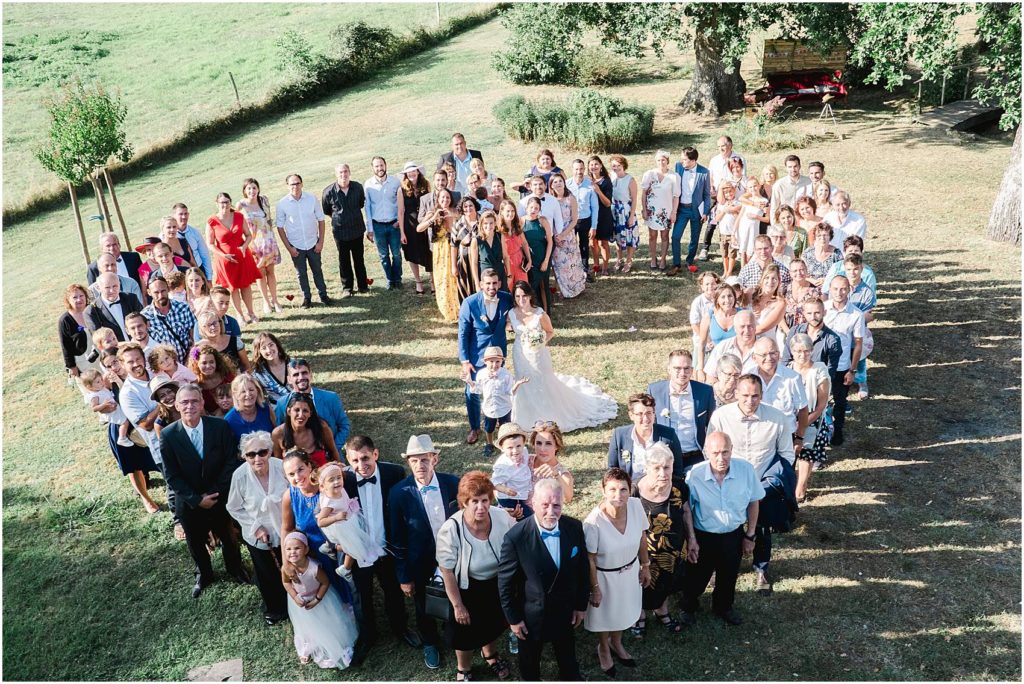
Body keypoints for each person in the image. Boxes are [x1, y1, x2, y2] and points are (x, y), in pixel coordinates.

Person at [160, 384, 248, 598]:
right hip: (190, 502)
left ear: (201, 403)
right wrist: (196, 499)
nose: (189, 405)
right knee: (195, 540)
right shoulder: (169, 434)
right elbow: (171, 475)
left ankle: (235, 568)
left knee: (228, 535)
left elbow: (230, 462)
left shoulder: (219, 427)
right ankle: (204, 574)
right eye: (184, 402)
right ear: (177, 406)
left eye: (194, 401)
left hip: (219, 496)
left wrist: (214, 492)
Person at [497, 478, 589, 681]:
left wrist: (581, 605)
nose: (551, 511)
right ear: (533, 502)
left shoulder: (574, 527)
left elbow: (582, 570)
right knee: (530, 664)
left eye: (556, 505)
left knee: (567, 658)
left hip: (565, 611)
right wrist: (513, 619)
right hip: (531, 616)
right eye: (545, 505)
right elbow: (505, 583)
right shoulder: (516, 537)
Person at [708, 375, 794, 592]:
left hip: (761, 483)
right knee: (726, 528)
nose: (750, 400)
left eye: (755, 396)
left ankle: (761, 568)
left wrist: (771, 482)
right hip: (728, 481)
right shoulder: (721, 416)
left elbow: (786, 454)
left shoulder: (777, 418)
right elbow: (709, 450)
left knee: (762, 529)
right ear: (736, 393)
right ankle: (719, 569)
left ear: (762, 395)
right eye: (745, 395)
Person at [340, 436, 420, 664]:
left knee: (393, 591)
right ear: (348, 459)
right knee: (362, 595)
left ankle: (400, 628)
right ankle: (368, 636)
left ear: (375, 454)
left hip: (387, 548)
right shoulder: (343, 479)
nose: (360, 465)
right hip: (359, 551)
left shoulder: (394, 473)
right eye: (354, 460)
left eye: (365, 458)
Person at [389, 434, 461, 670]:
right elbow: (396, 537)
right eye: (414, 461)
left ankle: (456, 635)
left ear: (435, 459)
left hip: (454, 555)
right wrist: (404, 577)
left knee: (457, 595)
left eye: (424, 459)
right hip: (419, 560)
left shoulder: (452, 484)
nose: (420, 465)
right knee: (422, 604)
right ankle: (430, 641)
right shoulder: (399, 492)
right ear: (408, 463)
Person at [436, 472, 515, 682]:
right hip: (466, 587)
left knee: (493, 623)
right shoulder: (450, 529)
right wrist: (457, 605)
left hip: (496, 583)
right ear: (464, 502)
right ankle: (464, 667)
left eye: (485, 501)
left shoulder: (501, 517)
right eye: (474, 502)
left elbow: (516, 541)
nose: (481, 507)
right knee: (464, 632)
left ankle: (489, 654)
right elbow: (447, 570)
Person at [509, 281, 618, 431]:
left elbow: (550, 332)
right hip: (519, 354)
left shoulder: (539, 314)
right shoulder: (511, 314)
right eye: (518, 296)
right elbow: (509, 328)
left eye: (524, 296)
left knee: (543, 382)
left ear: (530, 296)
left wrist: (540, 342)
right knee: (523, 382)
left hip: (537, 355)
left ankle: (547, 414)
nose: (521, 300)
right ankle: (525, 414)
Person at [680, 431, 764, 626]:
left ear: (732, 450)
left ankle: (723, 607)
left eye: (725, 452)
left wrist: (750, 535)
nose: (721, 458)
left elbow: (754, 501)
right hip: (704, 535)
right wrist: (691, 539)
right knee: (696, 577)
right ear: (706, 452)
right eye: (716, 453)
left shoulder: (746, 470)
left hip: (733, 535)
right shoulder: (694, 475)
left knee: (729, 574)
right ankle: (688, 607)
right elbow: (687, 510)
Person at [584, 468, 651, 676]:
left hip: (630, 573)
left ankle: (617, 642)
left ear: (630, 490)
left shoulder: (635, 505)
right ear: (603, 490)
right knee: (606, 616)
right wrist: (595, 588)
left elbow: (641, 537)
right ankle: (604, 648)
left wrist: (645, 565)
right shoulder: (593, 523)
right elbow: (590, 559)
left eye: (623, 489)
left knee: (622, 612)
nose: (618, 495)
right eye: (612, 489)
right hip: (604, 578)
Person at [225, 431, 289, 626]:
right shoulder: (240, 476)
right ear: (244, 456)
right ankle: (275, 609)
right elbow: (233, 506)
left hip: (286, 528)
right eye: (251, 454)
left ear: (270, 451)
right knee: (266, 573)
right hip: (259, 534)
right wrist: (256, 527)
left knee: (291, 567)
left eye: (262, 452)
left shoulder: (281, 467)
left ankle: (296, 602)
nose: (257, 458)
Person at [631, 444, 696, 635]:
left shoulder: (679, 486)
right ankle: (639, 615)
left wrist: (692, 539)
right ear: (647, 468)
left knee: (669, 580)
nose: (662, 473)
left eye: (666, 467)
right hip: (644, 551)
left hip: (674, 549)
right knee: (641, 583)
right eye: (656, 468)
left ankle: (662, 610)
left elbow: (685, 511)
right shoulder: (634, 491)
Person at [280, 531, 358, 669]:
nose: (292, 552)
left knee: (326, 621)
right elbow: (286, 583)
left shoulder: (314, 568)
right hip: (299, 601)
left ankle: (334, 641)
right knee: (305, 623)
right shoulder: (286, 569)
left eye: (297, 548)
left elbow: (325, 583)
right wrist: (295, 597)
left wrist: (317, 599)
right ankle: (310, 642)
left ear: (306, 549)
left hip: (321, 600)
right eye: (288, 549)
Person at [280, 449, 350, 597]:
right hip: (314, 553)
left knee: (350, 586)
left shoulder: (325, 486)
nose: (297, 477)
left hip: (340, 547)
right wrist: (286, 562)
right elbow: (286, 528)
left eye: (300, 470)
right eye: (291, 474)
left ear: (310, 466)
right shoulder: (289, 496)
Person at [457, 269, 515, 445]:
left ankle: (499, 418)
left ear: (499, 283)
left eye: (495, 283)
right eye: (488, 283)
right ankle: (475, 427)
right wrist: (465, 361)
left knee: (499, 386)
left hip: (498, 355)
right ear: (481, 284)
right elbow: (463, 333)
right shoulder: (470, 303)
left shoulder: (506, 298)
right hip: (477, 356)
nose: (492, 286)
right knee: (472, 392)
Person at [648, 349, 716, 473]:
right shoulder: (655, 391)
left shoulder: (705, 392)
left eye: (686, 368)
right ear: (669, 369)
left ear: (692, 370)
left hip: (694, 455)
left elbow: (711, 425)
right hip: (665, 456)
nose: (682, 373)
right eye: (677, 368)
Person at [786, 333, 832, 502]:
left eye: (806, 351)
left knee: (807, 454)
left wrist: (803, 424)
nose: (802, 355)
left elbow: (821, 404)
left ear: (812, 351)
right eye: (798, 351)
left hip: (813, 420)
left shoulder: (819, 370)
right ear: (791, 351)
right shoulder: (787, 370)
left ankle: (801, 488)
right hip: (789, 421)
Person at [316, 462, 384, 575]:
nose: (337, 481)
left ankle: (329, 547)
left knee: (357, 540)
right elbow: (320, 522)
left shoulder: (338, 489)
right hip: (342, 526)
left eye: (339, 478)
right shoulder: (329, 503)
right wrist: (336, 517)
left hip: (349, 518)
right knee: (354, 546)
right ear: (323, 486)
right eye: (331, 480)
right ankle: (345, 568)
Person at [276, 173, 332, 308]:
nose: (295, 186)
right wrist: (290, 248)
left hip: (313, 242)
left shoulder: (312, 199)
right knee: (301, 273)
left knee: (317, 270)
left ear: (302, 184)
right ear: (287, 186)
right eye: (292, 184)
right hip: (296, 245)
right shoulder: (282, 204)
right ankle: (307, 298)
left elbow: (321, 220)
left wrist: (320, 242)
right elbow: (280, 227)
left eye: (297, 183)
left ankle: (323, 295)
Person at [273, 358, 350, 455]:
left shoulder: (331, 398)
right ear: (289, 379)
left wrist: (333, 447)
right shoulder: (282, 403)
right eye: (296, 374)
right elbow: (280, 432)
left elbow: (344, 426)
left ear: (311, 375)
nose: (301, 377)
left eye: (304, 373)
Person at [823, 276, 865, 447]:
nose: (839, 293)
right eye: (835, 289)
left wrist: (852, 370)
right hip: (822, 365)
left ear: (849, 290)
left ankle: (838, 429)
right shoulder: (823, 309)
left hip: (842, 367)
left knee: (840, 401)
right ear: (830, 290)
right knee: (820, 400)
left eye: (843, 289)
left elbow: (858, 344)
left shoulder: (856, 314)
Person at [463, 346, 528, 456]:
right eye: (491, 361)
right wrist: (470, 382)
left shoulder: (506, 374)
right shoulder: (482, 374)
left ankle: (506, 444)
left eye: (497, 361)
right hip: (489, 408)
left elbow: (510, 392)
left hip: (504, 407)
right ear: (485, 362)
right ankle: (489, 443)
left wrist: (517, 384)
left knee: (506, 427)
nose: (494, 364)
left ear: (502, 361)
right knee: (489, 427)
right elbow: (477, 389)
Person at [207, 192, 260, 324]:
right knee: (233, 287)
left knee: (246, 285)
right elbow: (210, 243)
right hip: (225, 260)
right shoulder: (212, 221)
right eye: (222, 202)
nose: (224, 205)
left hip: (242, 257)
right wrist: (223, 255)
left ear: (230, 202)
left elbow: (248, 235)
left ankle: (251, 313)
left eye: (227, 202)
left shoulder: (238, 216)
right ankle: (240, 315)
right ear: (217, 204)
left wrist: (244, 247)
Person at [608, 392, 685, 478]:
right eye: (640, 414)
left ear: (654, 414)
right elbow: (612, 471)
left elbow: (678, 471)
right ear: (631, 415)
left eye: (649, 413)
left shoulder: (669, 435)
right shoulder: (619, 435)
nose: (645, 418)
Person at [321, 164, 370, 298]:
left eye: (346, 171)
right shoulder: (328, 191)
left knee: (359, 259)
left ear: (350, 172)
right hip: (340, 232)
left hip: (357, 230)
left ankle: (363, 286)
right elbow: (327, 211)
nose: (344, 175)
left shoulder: (358, 187)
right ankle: (347, 288)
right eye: (341, 172)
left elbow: (360, 204)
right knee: (344, 261)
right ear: (336, 174)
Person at [234, 179, 281, 314]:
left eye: (254, 188)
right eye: (248, 189)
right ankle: (266, 302)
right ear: (244, 191)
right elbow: (236, 222)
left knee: (271, 272)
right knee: (260, 274)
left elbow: (269, 221)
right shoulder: (241, 205)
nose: (252, 191)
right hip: (254, 245)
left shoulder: (264, 200)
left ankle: (275, 300)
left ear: (258, 189)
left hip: (269, 242)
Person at [751, 337, 809, 442]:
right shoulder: (748, 377)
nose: (769, 358)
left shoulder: (793, 378)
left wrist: (800, 438)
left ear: (779, 355)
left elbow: (803, 410)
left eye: (773, 353)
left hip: (785, 436)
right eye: (763, 355)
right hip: (756, 436)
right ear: (754, 357)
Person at [417, 187, 460, 322]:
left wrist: (453, 217)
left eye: (447, 197)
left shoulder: (455, 212)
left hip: (453, 248)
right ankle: (447, 309)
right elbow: (419, 229)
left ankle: (458, 308)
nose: (445, 200)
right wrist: (433, 218)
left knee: (454, 278)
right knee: (442, 279)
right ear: (438, 199)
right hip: (439, 251)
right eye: (442, 197)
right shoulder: (432, 213)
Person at [670, 146, 712, 275]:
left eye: (685, 160)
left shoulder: (704, 172)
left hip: (696, 210)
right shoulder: (678, 166)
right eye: (681, 159)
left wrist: (705, 212)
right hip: (681, 209)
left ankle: (689, 261)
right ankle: (676, 263)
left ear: (693, 160)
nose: (682, 162)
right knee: (675, 236)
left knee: (694, 238)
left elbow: (706, 194)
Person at [702, 136, 746, 261]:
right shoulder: (714, 160)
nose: (721, 148)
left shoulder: (739, 158)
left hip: (733, 195)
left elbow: (742, 175)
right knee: (712, 221)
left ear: (730, 145)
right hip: (716, 194)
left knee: (736, 221)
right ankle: (705, 248)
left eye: (723, 145)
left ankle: (736, 248)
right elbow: (710, 176)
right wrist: (711, 188)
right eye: (719, 146)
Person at [365, 156, 404, 290]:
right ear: (373, 168)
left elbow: (400, 204)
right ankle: (389, 280)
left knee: (397, 254)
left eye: (381, 165)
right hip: (377, 226)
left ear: (386, 165)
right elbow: (368, 208)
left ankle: (397, 279)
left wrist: (400, 221)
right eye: (376, 166)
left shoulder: (395, 182)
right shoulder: (368, 185)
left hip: (394, 224)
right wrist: (369, 228)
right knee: (383, 256)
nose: (379, 168)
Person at [272, 393, 341, 467]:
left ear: (310, 413)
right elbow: (278, 463)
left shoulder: (321, 427)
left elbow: (333, 451)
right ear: (289, 411)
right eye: (297, 410)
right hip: (296, 478)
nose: (301, 415)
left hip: (321, 475)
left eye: (305, 411)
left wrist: (339, 470)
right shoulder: (278, 433)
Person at [548, 172, 587, 299]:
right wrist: (555, 235)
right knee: (559, 264)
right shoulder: (550, 200)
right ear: (551, 186)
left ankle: (576, 288)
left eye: (560, 181)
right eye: (555, 182)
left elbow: (574, 220)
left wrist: (564, 235)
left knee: (571, 263)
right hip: (554, 235)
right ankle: (562, 290)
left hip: (568, 235)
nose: (558, 183)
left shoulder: (571, 198)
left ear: (564, 183)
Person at [842, 253, 876, 399]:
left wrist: (855, 318)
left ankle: (862, 381)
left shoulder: (867, 291)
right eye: (849, 269)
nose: (852, 273)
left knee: (859, 357)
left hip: (858, 330)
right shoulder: (840, 287)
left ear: (861, 269)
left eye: (856, 269)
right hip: (841, 329)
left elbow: (869, 314)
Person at [640, 149, 680, 271]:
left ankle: (662, 259)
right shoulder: (649, 174)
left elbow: (676, 196)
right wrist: (644, 209)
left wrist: (674, 212)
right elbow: (644, 193)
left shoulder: (674, 176)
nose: (661, 162)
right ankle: (653, 258)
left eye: (663, 160)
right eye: (658, 160)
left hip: (665, 212)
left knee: (664, 236)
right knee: (652, 236)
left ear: (667, 161)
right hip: (652, 210)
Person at [780, 297, 843, 373]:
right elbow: (785, 361)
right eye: (809, 313)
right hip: (793, 378)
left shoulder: (833, 339)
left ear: (824, 313)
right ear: (803, 313)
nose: (813, 317)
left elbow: (830, 371)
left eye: (817, 313)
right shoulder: (795, 331)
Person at [397, 161, 433, 294]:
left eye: (414, 171)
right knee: (412, 253)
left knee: (428, 251)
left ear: (418, 172)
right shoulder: (401, 190)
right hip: (410, 225)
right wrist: (402, 232)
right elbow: (401, 211)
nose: (412, 174)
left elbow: (430, 203)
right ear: (406, 174)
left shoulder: (426, 185)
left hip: (425, 221)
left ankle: (432, 280)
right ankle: (418, 281)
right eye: (409, 172)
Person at [701, 292, 748, 382]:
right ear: (717, 299)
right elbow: (701, 343)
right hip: (715, 359)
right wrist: (700, 368)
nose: (727, 300)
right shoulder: (710, 315)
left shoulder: (742, 314)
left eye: (730, 296)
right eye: (723, 297)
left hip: (736, 362)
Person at [492, 423, 535, 519]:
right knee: (527, 516)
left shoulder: (524, 451)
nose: (515, 451)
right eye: (510, 448)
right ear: (502, 448)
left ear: (524, 443)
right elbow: (494, 483)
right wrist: (505, 490)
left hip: (521, 492)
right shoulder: (503, 466)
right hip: (509, 498)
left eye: (518, 446)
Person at [86, 273, 143, 341]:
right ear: (98, 288)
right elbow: (99, 341)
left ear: (119, 284)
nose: (112, 290)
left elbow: (143, 322)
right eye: (107, 287)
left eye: (115, 286)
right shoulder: (92, 311)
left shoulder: (131, 298)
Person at [566, 159, 599, 277]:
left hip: (585, 220)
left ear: (584, 169)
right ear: (572, 170)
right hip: (570, 222)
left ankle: (585, 269)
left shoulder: (590, 185)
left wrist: (593, 226)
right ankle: (571, 268)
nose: (579, 171)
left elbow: (595, 207)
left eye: (581, 169)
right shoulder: (566, 185)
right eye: (576, 169)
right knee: (570, 245)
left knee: (584, 245)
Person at [521, 196, 554, 313]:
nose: (533, 210)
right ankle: (532, 311)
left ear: (539, 209)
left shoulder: (543, 221)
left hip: (542, 257)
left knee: (543, 285)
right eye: (531, 207)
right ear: (526, 208)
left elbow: (550, 242)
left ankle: (546, 313)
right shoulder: (521, 221)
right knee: (531, 286)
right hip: (529, 259)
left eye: (536, 208)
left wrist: (546, 261)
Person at [529, 420, 575, 504]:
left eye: (548, 443)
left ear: (556, 445)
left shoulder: (562, 474)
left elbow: (567, 498)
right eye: (539, 443)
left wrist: (556, 475)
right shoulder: (526, 460)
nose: (542, 449)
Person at [59, 284, 99, 378]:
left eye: (81, 296)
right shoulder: (65, 320)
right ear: (68, 300)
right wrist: (71, 366)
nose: (79, 299)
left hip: (102, 357)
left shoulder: (93, 310)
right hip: (83, 363)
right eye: (75, 297)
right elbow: (65, 346)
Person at [609, 154, 639, 273]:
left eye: (618, 165)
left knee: (630, 237)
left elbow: (634, 199)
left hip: (626, 211)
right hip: (614, 211)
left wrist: (631, 216)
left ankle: (629, 261)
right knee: (617, 236)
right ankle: (619, 259)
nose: (615, 168)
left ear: (623, 166)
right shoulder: (611, 177)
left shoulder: (630, 180)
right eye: (613, 166)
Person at [738, 234, 792, 300]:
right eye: (759, 249)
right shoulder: (746, 270)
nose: (763, 252)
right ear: (755, 250)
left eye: (766, 248)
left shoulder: (783, 271)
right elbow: (739, 292)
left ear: (772, 248)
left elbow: (789, 292)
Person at [189, 344, 237, 415]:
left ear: (216, 362)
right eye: (204, 363)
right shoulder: (195, 383)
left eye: (211, 362)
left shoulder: (226, 375)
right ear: (197, 364)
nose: (208, 366)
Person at [171, 203, 215, 280]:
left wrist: (209, 277)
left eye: (186, 214)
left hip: (199, 269)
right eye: (180, 214)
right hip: (181, 274)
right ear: (174, 216)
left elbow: (204, 254)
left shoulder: (195, 232)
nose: (184, 217)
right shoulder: (168, 235)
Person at [587, 155, 615, 276]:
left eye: (596, 164)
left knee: (603, 243)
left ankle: (605, 266)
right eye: (591, 164)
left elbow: (608, 203)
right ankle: (596, 265)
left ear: (601, 166)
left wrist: (598, 191)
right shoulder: (586, 181)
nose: (594, 167)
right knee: (592, 242)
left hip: (603, 216)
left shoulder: (606, 182)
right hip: (590, 216)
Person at [224, 374, 275, 439]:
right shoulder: (229, 419)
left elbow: (277, 433)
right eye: (243, 392)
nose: (248, 394)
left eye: (251, 390)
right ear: (235, 394)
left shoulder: (266, 408)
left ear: (257, 391)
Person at [751, 264, 788, 345]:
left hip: (765, 344)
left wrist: (743, 335)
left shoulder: (780, 303)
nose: (770, 282)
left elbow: (762, 328)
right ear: (762, 279)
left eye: (774, 279)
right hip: (746, 342)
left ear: (779, 281)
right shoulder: (750, 295)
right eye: (767, 278)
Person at [250, 331, 290, 407]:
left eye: (271, 345)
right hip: (277, 411)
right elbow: (258, 396)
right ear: (259, 352)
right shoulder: (258, 374)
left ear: (277, 345)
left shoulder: (294, 364)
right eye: (264, 348)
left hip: (300, 406)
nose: (268, 350)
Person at [470, 209, 506, 291]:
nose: (489, 226)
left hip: (500, 275)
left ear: (495, 224)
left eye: (491, 223)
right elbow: (474, 263)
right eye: (485, 223)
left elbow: (506, 257)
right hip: (485, 277)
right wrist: (477, 283)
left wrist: (509, 275)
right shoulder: (476, 240)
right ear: (481, 225)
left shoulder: (500, 236)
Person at [453, 196, 481, 303]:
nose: (468, 208)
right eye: (465, 206)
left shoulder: (482, 221)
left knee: (479, 284)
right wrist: (454, 266)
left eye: (471, 205)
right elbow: (454, 245)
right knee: (464, 285)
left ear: (475, 206)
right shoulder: (457, 224)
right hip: (463, 263)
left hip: (480, 261)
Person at [499, 200, 531, 291]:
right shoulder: (498, 230)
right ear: (502, 212)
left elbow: (524, 243)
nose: (511, 213)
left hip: (519, 261)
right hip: (507, 263)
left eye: (513, 211)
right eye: (508, 211)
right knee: (509, 289)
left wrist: (529, 259)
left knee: (522, 288)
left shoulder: (517, 225)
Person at [736, 177, 769, 266]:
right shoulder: (747, 200)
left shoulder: (764, 201)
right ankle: (742, 270)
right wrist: (733, 232)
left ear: (758, 186)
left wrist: (756, 216)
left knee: (751, 250)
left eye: (755, 186)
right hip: (743, 227)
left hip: (754, 228)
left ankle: (749, 267)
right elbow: (740, 216)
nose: (753, 189)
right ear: (747, 189)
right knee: (743, 249)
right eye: (750, 187)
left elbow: (767, 219)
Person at [769, 154, 812, 220]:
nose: (793, 169)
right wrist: (775, 225)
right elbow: (774, 208)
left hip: (804, 219)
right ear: (786, 168)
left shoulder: (809, 182)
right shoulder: (779, 185)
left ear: (799, 166)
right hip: (786, 221)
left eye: (795, 166)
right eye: (790, 167)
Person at [689, 271, 720, 358]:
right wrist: (707, 340)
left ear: (717, 284)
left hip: (719, 340)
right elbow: (695, 324)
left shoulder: (721, 300)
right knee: (698, 367)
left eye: (713, 284)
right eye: (707, 284)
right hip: (702, 341)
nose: (710, 286)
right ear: (702, 287)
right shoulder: (697, 302)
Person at [714, 182, 742, 278]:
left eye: (730, 191)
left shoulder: (738, 203)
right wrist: (725, 210)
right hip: (723, 233)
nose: (729, 194)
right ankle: (725, 271)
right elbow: (717, 219)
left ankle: (730, 271)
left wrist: (732, 210)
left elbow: (739, 218)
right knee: (724, 253)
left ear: (734, 191)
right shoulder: (721, 204)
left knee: (732, 253)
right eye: (726, 193)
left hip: (732, 233)